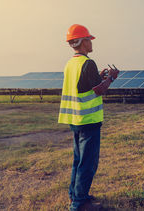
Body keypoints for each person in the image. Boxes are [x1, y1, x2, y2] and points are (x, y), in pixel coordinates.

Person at [58, 24, 119, 211]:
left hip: (75, 120)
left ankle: (75, 196)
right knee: (88, 162)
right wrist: (111, 78)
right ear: (83, 42)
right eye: (89, 40)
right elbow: (99, 90)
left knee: (78, 160)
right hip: (89, 120)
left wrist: (99, 76)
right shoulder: (87, 63)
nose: (91, 43)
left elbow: (84, 86)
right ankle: (79, 203)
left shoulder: (71, 64)